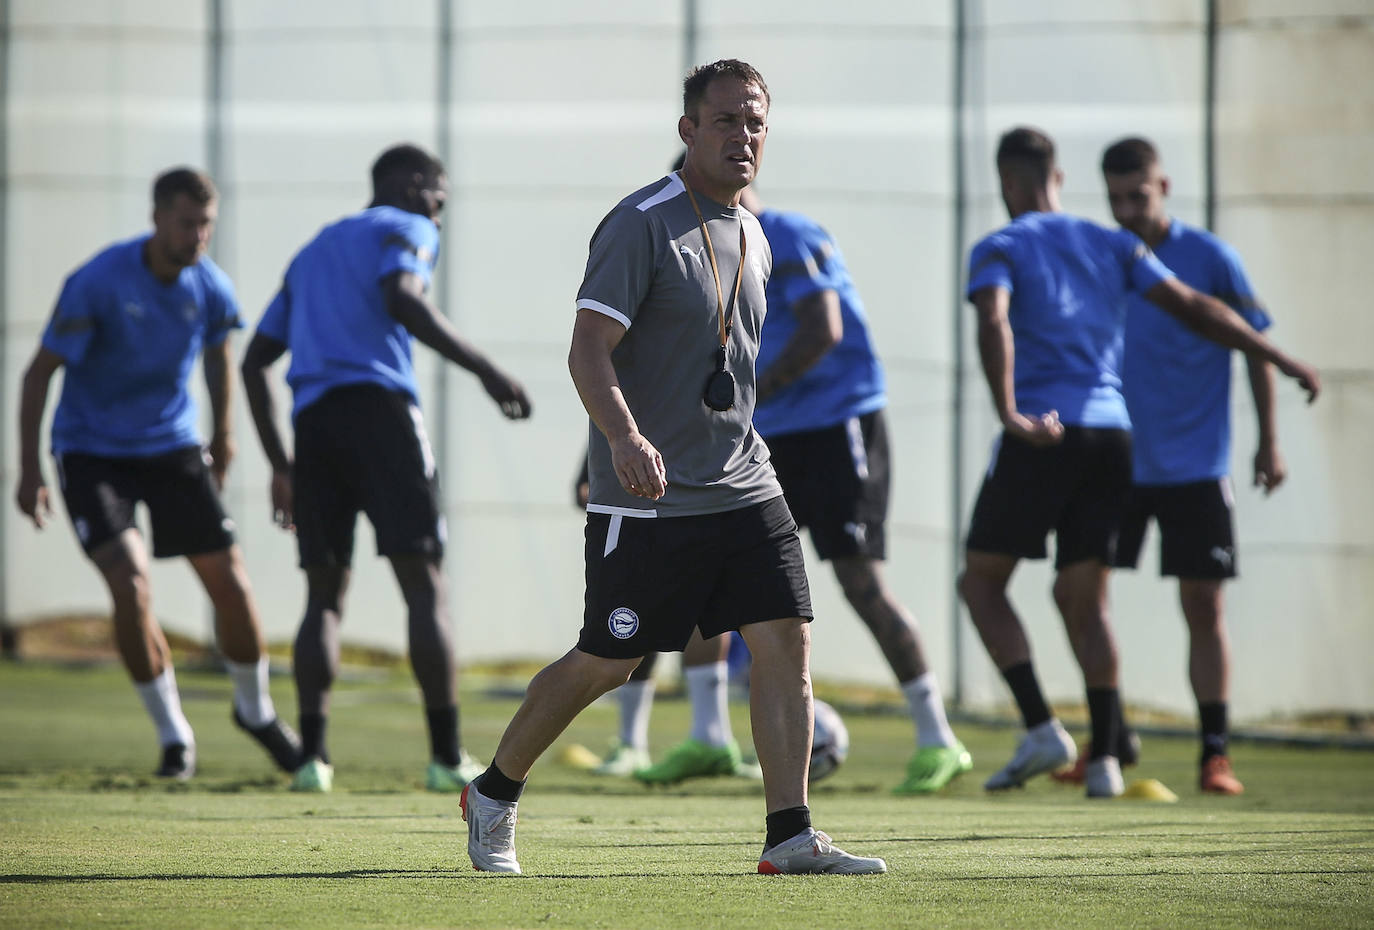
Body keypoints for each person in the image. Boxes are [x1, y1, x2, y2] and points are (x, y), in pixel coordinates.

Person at [460, 59, 886, 876]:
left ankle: (789, 835)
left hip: (745, 484)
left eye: (755, 122)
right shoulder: (639, 223)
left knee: (785, 642)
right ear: (688, 130)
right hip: (648, 500)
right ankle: (494, 792)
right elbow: (589, 350)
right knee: (610, 661)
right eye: (725, 120)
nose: (743, 136)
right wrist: (622, 439)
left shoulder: (759, 235)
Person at [959, 127, 1320, 799]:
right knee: (1087, 602)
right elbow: (1198, 308)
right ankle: (1104, 762)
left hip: (1047, 432)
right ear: (1059, 179)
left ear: (1008, 185)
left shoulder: (1001, 245)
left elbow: (995, 319)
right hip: (1115, 439)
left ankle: (1042, 726)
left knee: (980, 585)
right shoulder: (1113, 243)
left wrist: (1009, 410)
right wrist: (1281, 357)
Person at [239, 143, 532, 794]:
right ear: (412, 186)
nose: (440, 212)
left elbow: (253, 361)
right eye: (439, 197)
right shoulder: (408, 227)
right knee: (424, 585)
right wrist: (487, 369)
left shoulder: (314, 251)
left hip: (314, 427)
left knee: (324, 595)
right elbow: (403, 297)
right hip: (381, 415)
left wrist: (280, 464)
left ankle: (312, 761)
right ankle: (445, 756)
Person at [15, 167, 301, 780]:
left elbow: (221, 356)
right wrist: (29, 467)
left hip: (171, 448)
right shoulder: (98, 281)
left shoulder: (210, 287)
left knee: (232, 582)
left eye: (206, 224)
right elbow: (38, 374)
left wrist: (223, 436)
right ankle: (176, 737)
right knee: (133, 587)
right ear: (156, 219)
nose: (198, 235)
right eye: (186, 223)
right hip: (91, 453)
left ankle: (254, 711)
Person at [1097, 136, 1293, 794]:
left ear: (1164, 187)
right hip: (1119, 458)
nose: (1127, 210)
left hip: (1195, 463)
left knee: (1202, 605)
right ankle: (1109, 742)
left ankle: (1215, 753)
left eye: (1138, 195)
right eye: (1116, 198)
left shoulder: (1210, 258)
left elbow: (1256, 346)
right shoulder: (1109, 256)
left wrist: (1269, 440)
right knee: (1083, 592)